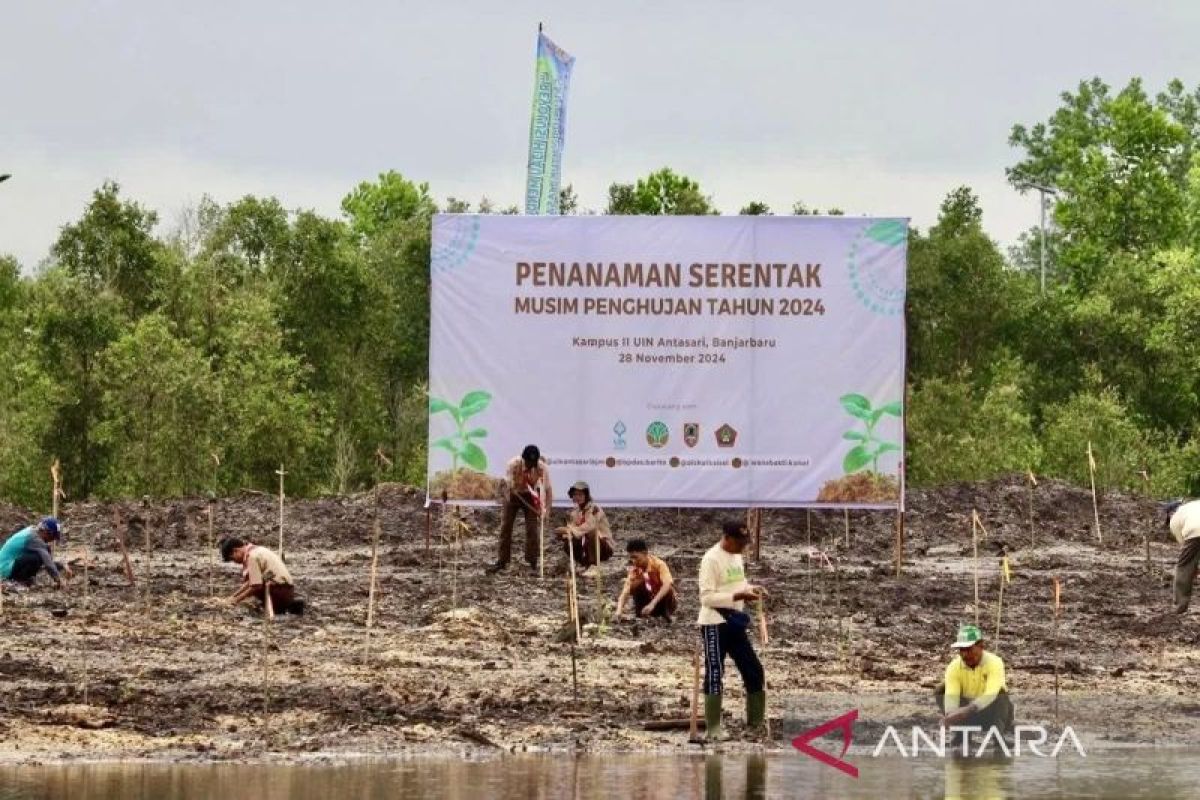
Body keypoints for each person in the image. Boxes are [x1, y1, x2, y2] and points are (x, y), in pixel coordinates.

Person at [698, 520, 767, 740]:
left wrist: (750, 589)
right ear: (726, 538)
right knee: (715, 673)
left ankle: (755, 723)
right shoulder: (710, 559)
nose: (743, 548)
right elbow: (706, 597)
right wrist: (738, 596)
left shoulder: (737, 557)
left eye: (745, 543)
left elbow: (739, 583)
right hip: (714, 623)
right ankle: (714, 728)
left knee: (754, 670)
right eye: (739, 542)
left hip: (735, 622)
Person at [936, 623, 1014, 737]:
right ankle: (961, 735)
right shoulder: (953, 667)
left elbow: (991, 694)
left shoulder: (995, 662)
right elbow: (951, 695)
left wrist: (967, 710)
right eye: (961, 650)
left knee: (1000, 694)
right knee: (941, 690)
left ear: (981, 646)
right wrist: (950, 715)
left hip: (992, 715)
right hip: (968, 717)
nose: (965, 654)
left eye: (969, 649)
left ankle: (998, 739)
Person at [487, 444, 553, 574]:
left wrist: (547, 510)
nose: (530, 465)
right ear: (523, 459)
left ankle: (532, 561)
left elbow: (548, 491)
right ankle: (503, 561)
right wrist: (510, 491)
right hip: (513, 494)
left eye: (533, 463)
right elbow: (509, 485)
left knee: (532, 529)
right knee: (505, 527)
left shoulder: (542, 468)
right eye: (528, 462)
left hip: (530, 496)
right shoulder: (513, 465)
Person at [220, 537, 305, 614]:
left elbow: (256, 585)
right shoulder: (257, 550)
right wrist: (232, 597)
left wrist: (235, 600)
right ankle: (287, 605)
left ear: (235, 551)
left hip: (279, 591)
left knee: (255, 591)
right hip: (287, 590)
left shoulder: (252, 557)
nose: (235, 562)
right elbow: (250, 582)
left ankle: (282, 606)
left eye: (233, 559)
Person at [555, 480, 613, 573]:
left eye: (580, 495)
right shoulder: (574, 513)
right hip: (584, 543)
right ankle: (583, 563)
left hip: (602, 546)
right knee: (567, 540)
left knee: (592, 532)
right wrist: (564, 534)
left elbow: (589, 526)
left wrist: (569, 530)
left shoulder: (595, 509)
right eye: (575, 495)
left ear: (586, 496)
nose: (577, 497)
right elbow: (572, 527)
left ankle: (594, 565)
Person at [0, 517, 71, 589]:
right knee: (37, 557)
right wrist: (59, 579)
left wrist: (62, 565)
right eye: (52, 537)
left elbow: (48, 560)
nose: (51, 540)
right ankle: (19, 581)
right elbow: (47, 563)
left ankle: (23, 579)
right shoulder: (34, 539)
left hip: (7, 565)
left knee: (43, 552)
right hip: (4, 569)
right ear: (46, 532)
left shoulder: (32, 531)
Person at [614, 538, 676, 620]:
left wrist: (652, 604)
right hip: (647, 603)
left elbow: (667, 584)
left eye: (636, 557)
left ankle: (666, 615)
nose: (634, 561)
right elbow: (625, 592)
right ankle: (641, 614)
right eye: (631, 558)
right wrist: (618, 611)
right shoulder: (635, 570)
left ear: (645, 553)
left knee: (668, 588)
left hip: (662, 602)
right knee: (634, 585)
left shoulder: (659, 564)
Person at [1166, 499, 1200, 613]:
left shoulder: (1174, 519)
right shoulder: (1192, 506)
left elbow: (1185, 544)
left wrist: (1193, 567)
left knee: (1184, 566)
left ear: (1170, 513)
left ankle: (1181, 604)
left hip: (1195, 530)